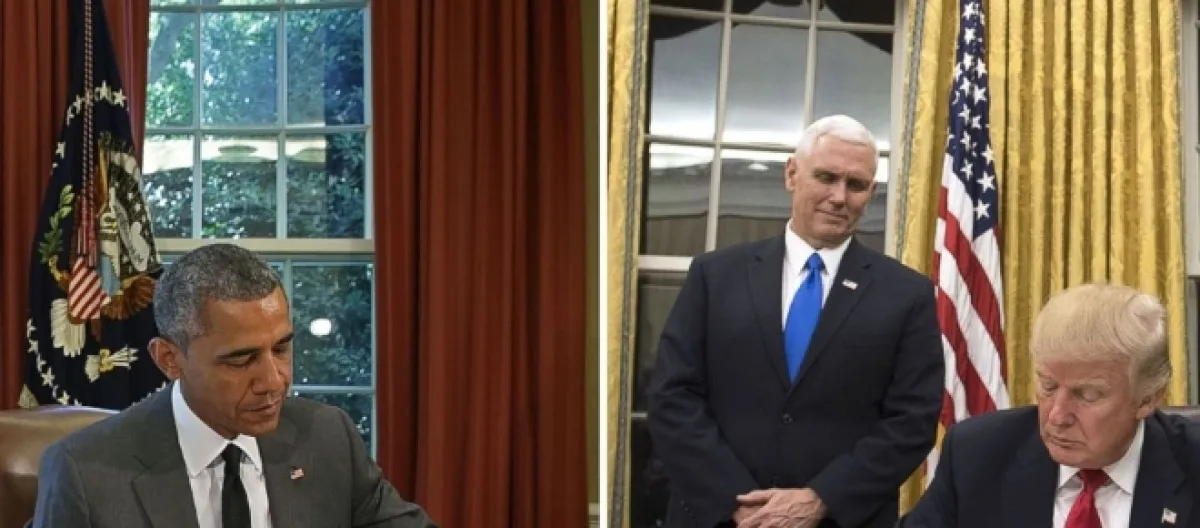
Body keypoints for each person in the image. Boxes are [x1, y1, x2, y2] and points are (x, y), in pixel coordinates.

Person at [647, 115, 944, 528]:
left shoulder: (906, 294)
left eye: (856, 185)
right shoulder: (715, 276)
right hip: (716, 516)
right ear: (791, 174)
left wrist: (821, 499)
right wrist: (738, 502)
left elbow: (912, 421)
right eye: (826, 177)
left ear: (871, 193)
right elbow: (671, 396)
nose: (839, 197)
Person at [30, 243, 437, 528]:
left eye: (281, 348)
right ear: (169, 359)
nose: (274, 381)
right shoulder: (84, 472)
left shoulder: (328, 438)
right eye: (241, 359)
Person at [901, 283, 1200, 528]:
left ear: (1148, 398)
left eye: (1087, 395)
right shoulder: (978, 455)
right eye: (1048, 386)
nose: (1057, 416)